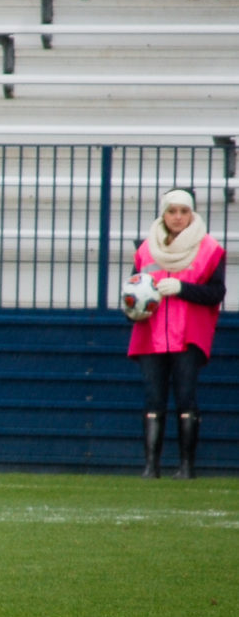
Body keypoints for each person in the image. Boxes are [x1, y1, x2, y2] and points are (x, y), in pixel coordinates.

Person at [129, 188, 226, 480]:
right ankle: (151, 467)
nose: (178, 217)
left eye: (184, 211)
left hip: (188, 334)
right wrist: (132, 306)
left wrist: (183, 289)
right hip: (151, 333)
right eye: (172, 211)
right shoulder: (146, 249)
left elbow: (216, 292)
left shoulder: (210, 249)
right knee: (153, 398)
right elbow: (132, 290)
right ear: (163, 214)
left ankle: (186, 467)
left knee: (186, 397)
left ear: (192, 214)